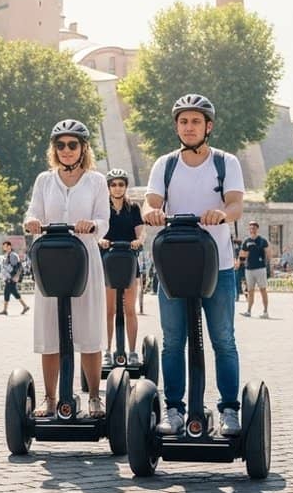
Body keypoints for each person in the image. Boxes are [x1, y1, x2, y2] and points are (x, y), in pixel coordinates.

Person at [143, 95, 246, 435]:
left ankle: (230, 410)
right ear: (177, 126)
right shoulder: (165, 165)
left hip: (218, 267)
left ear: (208, 126)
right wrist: (151, 213)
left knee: (223, 340)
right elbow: (151, 201)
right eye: (183, 121)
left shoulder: (225, 163)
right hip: (174, 266)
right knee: (173, 341)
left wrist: (222, 214)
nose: (189, 127)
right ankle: (174, 409)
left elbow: (235, 205)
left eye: (196, 121)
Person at [24, 119, 110, 418]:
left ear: (83, 148)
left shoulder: (96, 181)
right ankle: (49, 398)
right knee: (49, 332)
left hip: (84, 258)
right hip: (51, 260)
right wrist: (32, 222)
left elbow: (103, 219)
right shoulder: (44, 180)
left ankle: (95, 398)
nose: (66, 150)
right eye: (60, 145)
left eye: (72, 145)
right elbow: (33, 211)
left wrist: (93, 225)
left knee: (88, 330)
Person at [99, 168, 144, 358]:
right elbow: (96, 230)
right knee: (109, 310)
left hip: (128, 260)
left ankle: (132, 351)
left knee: (129, 310)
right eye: (113, 185)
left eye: (121, 184)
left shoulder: (133, 208)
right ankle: (108, 350)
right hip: (108, 261)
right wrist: (99, 239)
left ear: (125, 187)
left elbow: (141, 232)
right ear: (108, 187)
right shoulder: (101, 207)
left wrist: (138, 241)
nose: (117, 188)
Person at [238, 221, 270, 318]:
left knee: (263, 290)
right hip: (249, 269)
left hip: (260, 268)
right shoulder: (246, 241)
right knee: (250, 291)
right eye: (251, 228)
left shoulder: (262, 241)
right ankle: (248, 311)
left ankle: (265, 312)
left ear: (257, 229)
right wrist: (239, 264)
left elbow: (268, 254)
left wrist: (269, 267)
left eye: (254, 228)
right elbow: (242, 254)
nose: (252, 229)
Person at [0, 240, 29, 316]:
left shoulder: (13, 255)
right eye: (3, 246)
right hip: (8, 278)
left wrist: (16, 276)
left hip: (11, 278)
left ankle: (5, 310)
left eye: (5, 246)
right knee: (13, 293)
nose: (4, 247)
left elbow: (18, 267)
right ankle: (25, 306)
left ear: (9, 246)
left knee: (7, 293)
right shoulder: (6, 255)